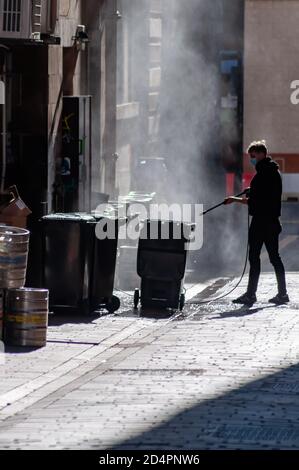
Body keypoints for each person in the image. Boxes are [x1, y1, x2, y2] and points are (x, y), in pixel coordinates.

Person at [224, 140, 289, 305]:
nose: (251, 159)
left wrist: (234, 199)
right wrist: (252, 191)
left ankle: (251, 294)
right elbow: (265, 193)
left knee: (254, 257)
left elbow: (255, 201)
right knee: (275, 257)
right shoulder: (273, 171)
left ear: (261, 154)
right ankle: (283, 294)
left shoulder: (263, 174)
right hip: (272, 222)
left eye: (253, 156)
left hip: (261, 222)